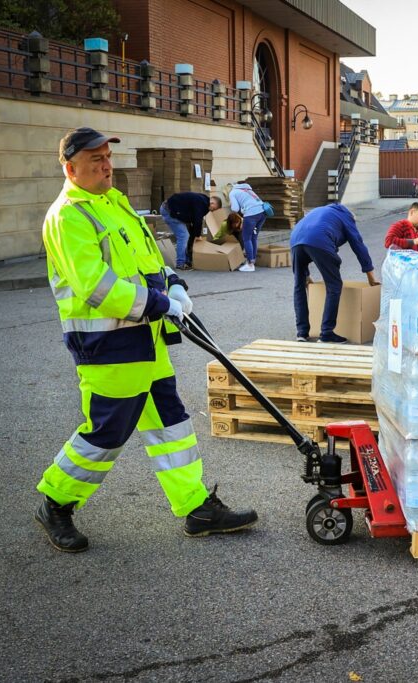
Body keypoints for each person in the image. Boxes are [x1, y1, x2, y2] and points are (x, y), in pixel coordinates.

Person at [35, 127, 258, 553]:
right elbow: (95, 287)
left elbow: (148, 257)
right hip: (108, 347)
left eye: (107, 156)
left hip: (145, 340)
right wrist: (157, 304)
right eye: (95, 159)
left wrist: (172, 283)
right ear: (70, 168)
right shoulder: (68, 216)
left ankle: (196, 506)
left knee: (170, 421)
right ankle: (57, 502)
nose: (105, 165)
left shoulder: (114, 204)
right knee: (107, 431)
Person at [290, 203, 379, 343]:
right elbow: (358, 245)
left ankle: (302, 333)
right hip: (319, 240)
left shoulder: (320, 210)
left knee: (299, 286)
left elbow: (307, 236)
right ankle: (327, 333)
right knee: (334, 285)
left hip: (295, 240)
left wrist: (306, 274)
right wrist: (371, 276)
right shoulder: (346, 217)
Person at [159, 191, 211, 270]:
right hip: (169, 211)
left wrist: (195, 235)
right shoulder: (201, 204)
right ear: (213, 203)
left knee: (188, 235)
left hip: (176, 211)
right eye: (214, 209)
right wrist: (198, 235)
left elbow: (195, 221)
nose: (213, 211)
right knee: (183, 236)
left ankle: (187, 260)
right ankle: (180, 263)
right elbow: (198, 220)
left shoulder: (203, 202)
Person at [228, 180, 267, 272]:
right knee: (254, 237)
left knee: (246, 238)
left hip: (251, 215)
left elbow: (235, 208)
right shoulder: (248, 190)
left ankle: (250, 264)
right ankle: (252, 261)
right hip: (262, 213)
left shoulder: (233, 192)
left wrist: (235, 206)